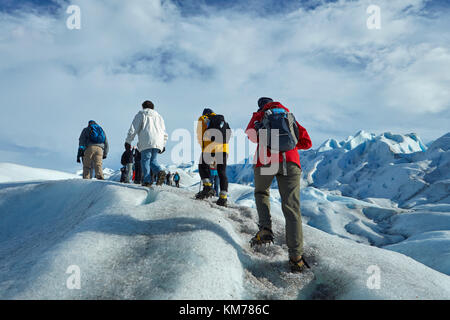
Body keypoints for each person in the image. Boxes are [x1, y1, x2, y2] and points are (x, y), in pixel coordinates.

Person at [245, 97, 312, 273]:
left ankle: (265, 228)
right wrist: (289, 146)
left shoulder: (260, 115)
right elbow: (307, 142)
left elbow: (251, 135)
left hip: (266, 160)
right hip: (291, 162)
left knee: (261, 193)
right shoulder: (289, 115)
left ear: (260, 105)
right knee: (292, 208)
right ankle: (296, 257)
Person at [125, 100, 168, 187]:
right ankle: (160, 172)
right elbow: (164, 132)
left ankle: (147, 181)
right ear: (153, 108)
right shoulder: (159, 117)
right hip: (158, 141)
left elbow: (133, 129)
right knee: (153, 160)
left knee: (145, 160)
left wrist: (128, 141)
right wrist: (163, 144)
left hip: (146, 140)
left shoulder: (141, 114)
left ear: (143, 107)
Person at [195, 108, 231, 207]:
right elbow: (229, 135)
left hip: (210, 147)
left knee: (202, 166)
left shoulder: (203, 118)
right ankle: (223, 198)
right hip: (224, 149)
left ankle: (207, 187)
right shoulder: (224, 122)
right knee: (222, 172)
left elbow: (200, 135)